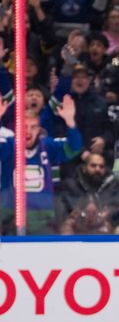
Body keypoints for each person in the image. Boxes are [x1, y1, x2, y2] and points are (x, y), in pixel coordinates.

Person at [0, 96, 82, 234]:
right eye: (24, 127)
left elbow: (74, 148)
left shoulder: (48, 146)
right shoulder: (9, 145)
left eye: (33, 127)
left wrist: (70, 122)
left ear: (39, 130)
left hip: (42, 220)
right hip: (11, 217)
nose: (28, 131)